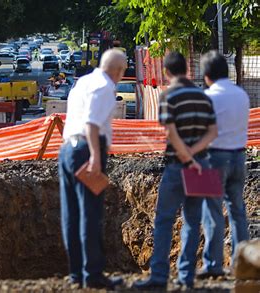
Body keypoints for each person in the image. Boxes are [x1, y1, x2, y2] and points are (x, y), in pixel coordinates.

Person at [133, 52, 218, 290]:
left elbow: (170, 132)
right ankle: (186, 277)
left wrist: (185, 156)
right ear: (187, 70)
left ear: (167, 73)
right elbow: (213, 132)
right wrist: (195, 155)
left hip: (177, 165)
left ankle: (159, 276)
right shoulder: (203, 96)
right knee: (193, 221)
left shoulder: (168, 95)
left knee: (164, 221)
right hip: (202, 164)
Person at [58, 49, 127, 289]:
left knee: (71, 215)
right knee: (90, 213)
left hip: (67, 149)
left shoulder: (83, 82)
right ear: (118, 70)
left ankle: (77, 273)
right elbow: (91, 123)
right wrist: (96, 157)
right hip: (87, 150)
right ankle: (93, 274)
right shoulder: (105, 87)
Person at [197, 50, 250, 278]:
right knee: (238, 211)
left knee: (212, 212)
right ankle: (244, 264)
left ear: (207, 74)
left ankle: (213, 264)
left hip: (213, 158)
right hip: (239, 157)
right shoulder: (241, 95)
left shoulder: (208, 98)